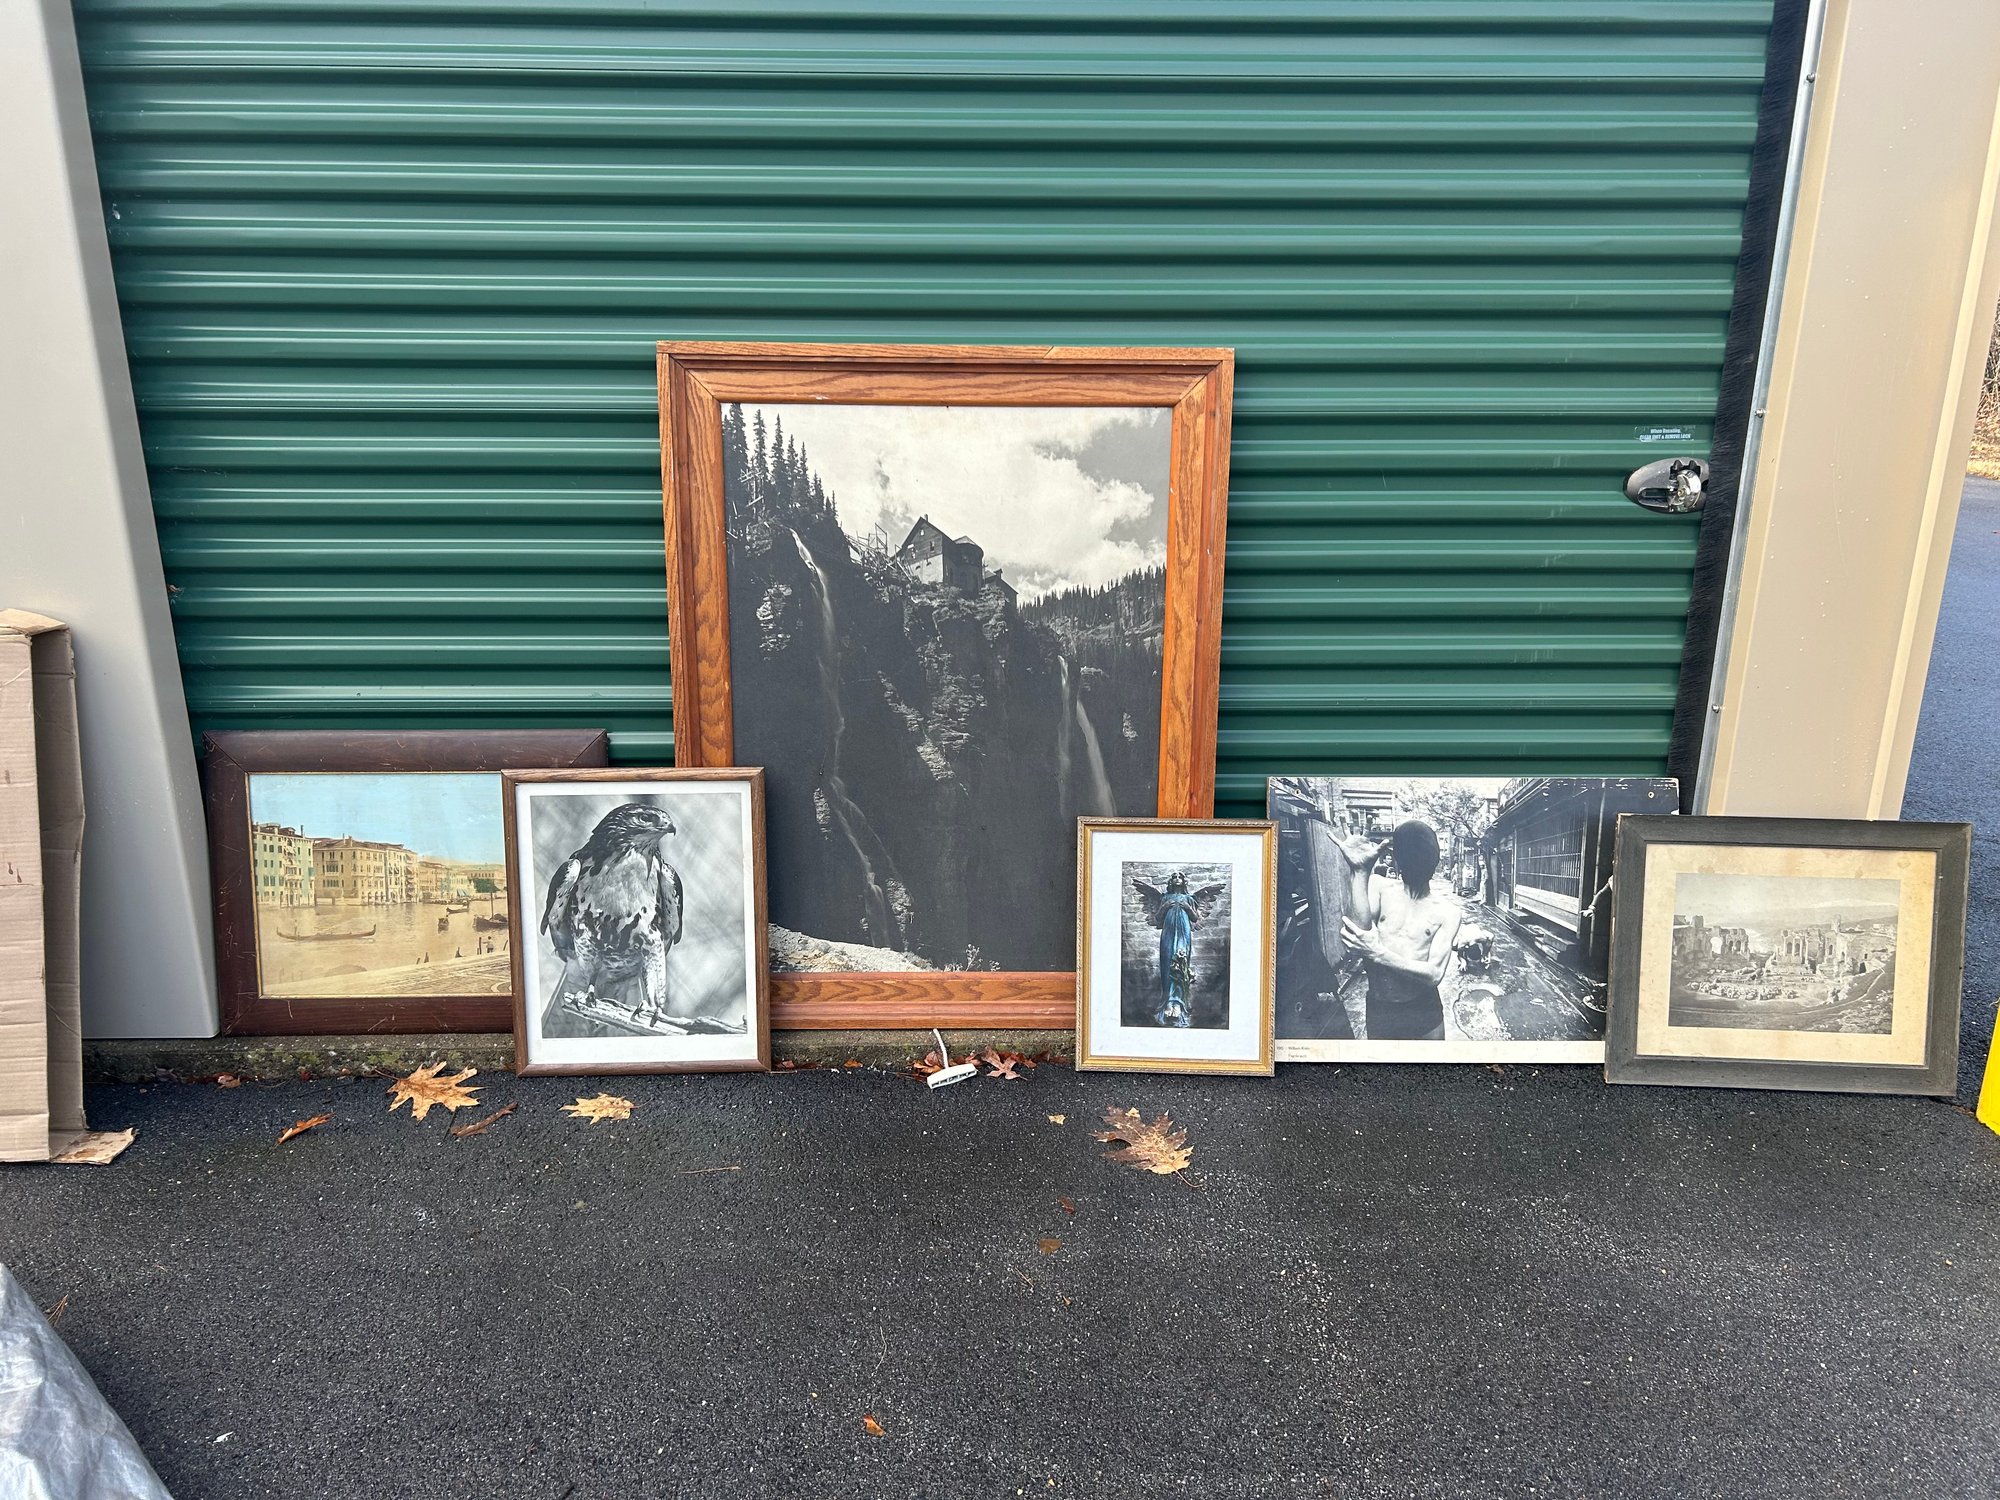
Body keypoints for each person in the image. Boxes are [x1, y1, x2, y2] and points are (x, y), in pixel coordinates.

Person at [1341, 819, 1462, 1040]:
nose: (1418, 862)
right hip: (1382, 1008)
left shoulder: (1448, 911)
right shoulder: (1379, 887)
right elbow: (1354, 937)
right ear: (1399, 858)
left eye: (1424, 856)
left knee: (1433, 1064)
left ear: (1435, 860)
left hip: (1424, 1008)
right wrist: (1359, 872)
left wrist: (1378, 953)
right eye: (1412, 855)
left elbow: (1434, 974)